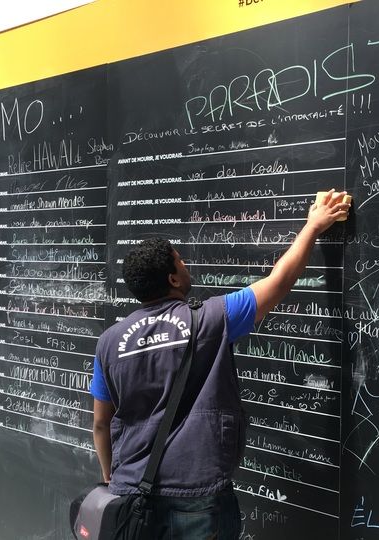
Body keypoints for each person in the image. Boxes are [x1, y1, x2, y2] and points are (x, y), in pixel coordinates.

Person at [90, 189, 350, 539]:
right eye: (180, 261)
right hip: (198, 487)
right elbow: (280, 281)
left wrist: (111, 475)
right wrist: (312, 227)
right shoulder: (211, 318)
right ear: (172, 278)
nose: (186, 266)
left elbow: (101, 424)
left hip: (132, 489)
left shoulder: (109, 341)